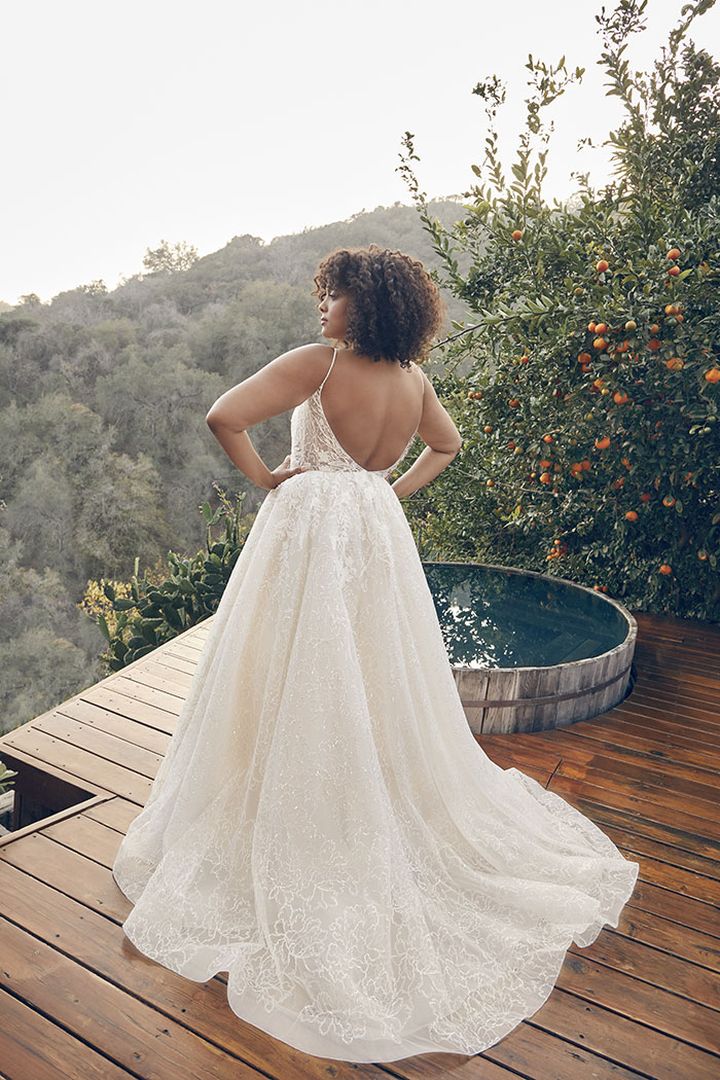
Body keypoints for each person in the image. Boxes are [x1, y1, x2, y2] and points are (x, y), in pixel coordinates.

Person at [111, 243, 640, 1064]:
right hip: (372, 530)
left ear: (362, 302)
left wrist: (267, 479)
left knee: (290, 662)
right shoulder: (413, 381)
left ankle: (296, 788)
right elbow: (447, 446)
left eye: (332, 295)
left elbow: (224, 414)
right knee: (367, 668)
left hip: (311, 524)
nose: (321, 309)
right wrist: (386, 491)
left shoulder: (321, 364)